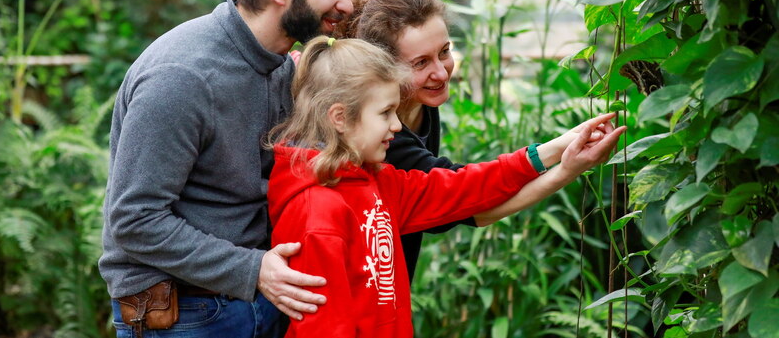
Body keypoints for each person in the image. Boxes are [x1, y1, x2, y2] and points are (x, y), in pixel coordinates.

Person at [100, 0, 354, 337]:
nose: (345, 4)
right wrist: (252, 268)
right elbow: (134, 220)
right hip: (184, 315)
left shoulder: (281, 64)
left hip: (257, 298)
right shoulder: (182, 76)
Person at [267, 36, 625, 338]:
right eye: (385, 113)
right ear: (340, 118)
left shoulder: (378, 184)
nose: (396, 125)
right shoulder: (316, 213)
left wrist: (560, 149)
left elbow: (463, 187)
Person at [340, 0, 618, 280]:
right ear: (385, 67)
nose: (441, 71)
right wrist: (560, 152)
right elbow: (461, 199)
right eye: (420, 62)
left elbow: (467, 206)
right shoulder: (378, 136)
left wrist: (568, 162)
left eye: (444, 51)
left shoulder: (422, 100)